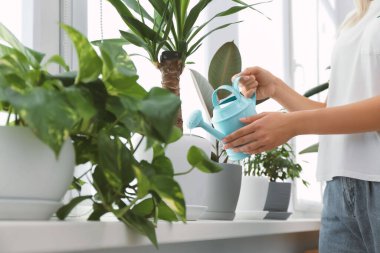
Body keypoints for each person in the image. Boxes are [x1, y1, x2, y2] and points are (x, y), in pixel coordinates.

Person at [223, 0, 380, 252]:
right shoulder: (355, 19)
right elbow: (333, 112)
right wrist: (275, 88)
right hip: (337, 187)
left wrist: (292, 125)